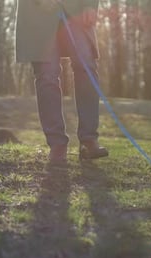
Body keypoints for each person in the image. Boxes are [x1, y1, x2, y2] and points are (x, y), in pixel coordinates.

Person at [15, 0, 108, 164]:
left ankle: (88, 140)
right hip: (37, 11)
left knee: (87, 67)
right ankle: (57, 144)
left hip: (77, 9)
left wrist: (91, 5)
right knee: (46, 75)